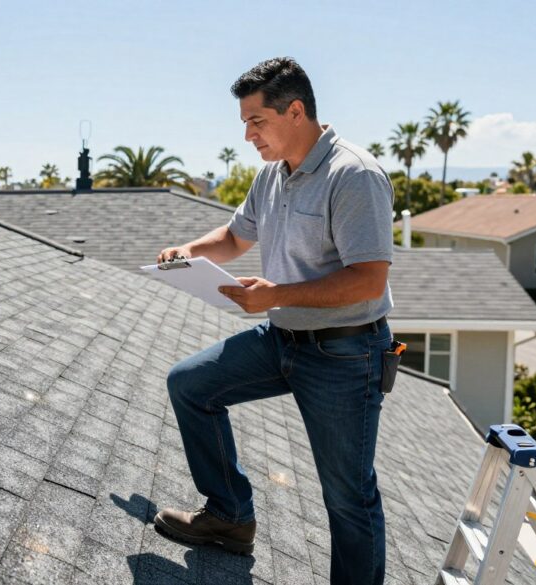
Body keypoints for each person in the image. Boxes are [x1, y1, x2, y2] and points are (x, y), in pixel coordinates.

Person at [153, 57, 395, 585]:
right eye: (244, 123)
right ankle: (230, 519)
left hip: (346, 352)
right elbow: (237, 238)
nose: (247, 135)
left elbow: (368, 281)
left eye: (255, 121)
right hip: (281, 338)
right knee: (190, 385)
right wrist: (186, 252)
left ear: (296, 111)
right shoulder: (271, 176)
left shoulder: (353, 175)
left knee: (348, 497)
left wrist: (277, 293)